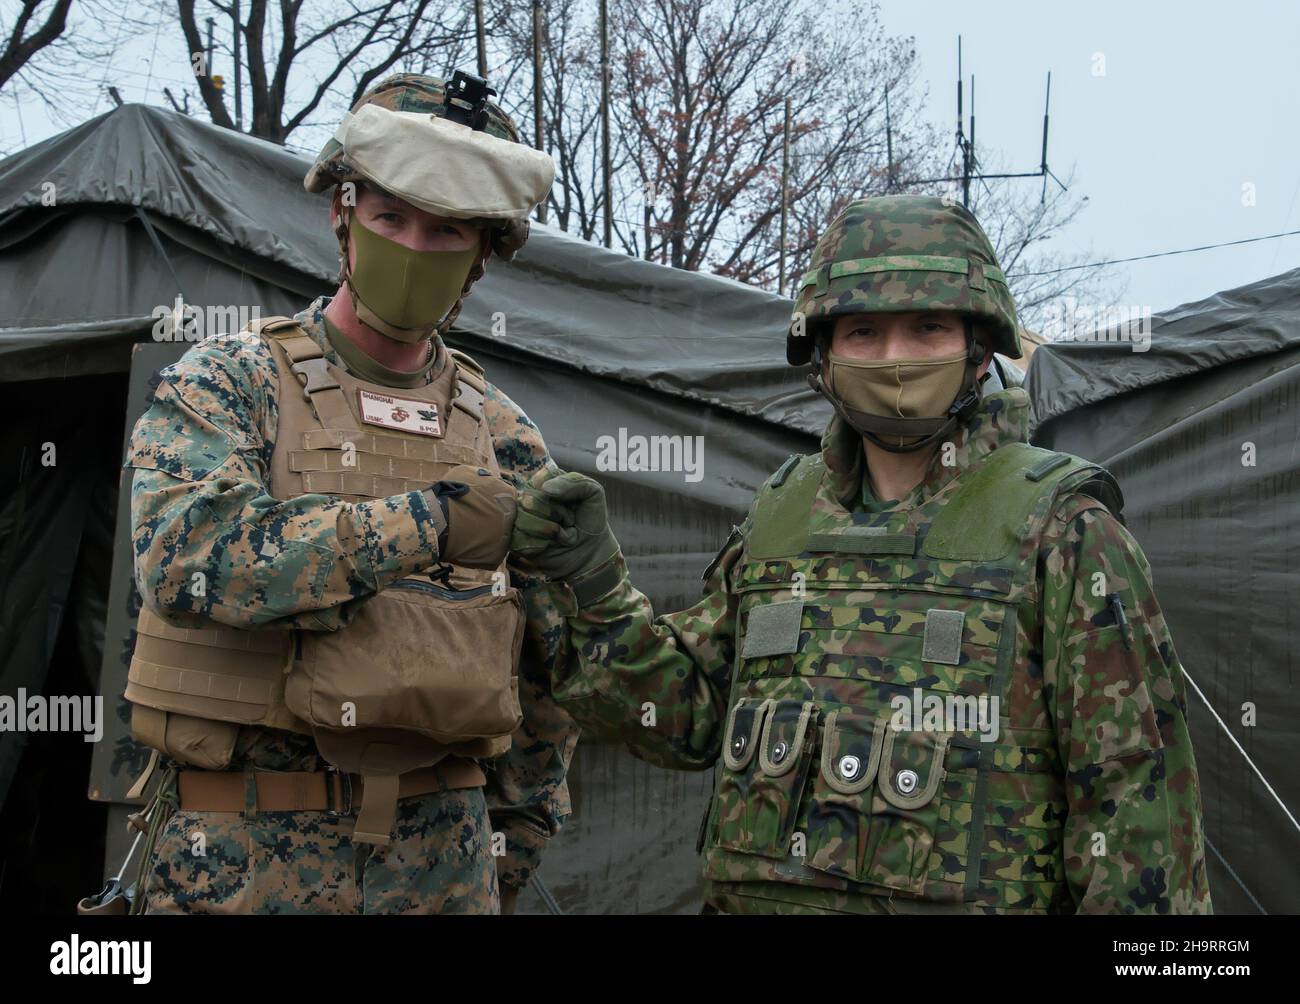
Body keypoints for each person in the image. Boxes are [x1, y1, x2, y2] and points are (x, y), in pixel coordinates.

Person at [513, 195, 1213, 914]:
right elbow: (684, 715)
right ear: (823, 351)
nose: (895, 359)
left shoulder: (1062, 531)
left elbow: (1136, 812)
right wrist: (589, 582)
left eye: (927, 328)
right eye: (865, 331)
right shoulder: (782, 517)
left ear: (979, 347)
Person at [123, 71, 577, 915]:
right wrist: (427, 523)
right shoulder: (232, 379)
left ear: (484, 254)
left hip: (442, 869)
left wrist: (509, 857)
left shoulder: (506, 434)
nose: (414, 247)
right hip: (240, 867)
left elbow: (544, 678)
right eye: (391, 217)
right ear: (343, 210)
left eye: (446, 231)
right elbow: (186, 556)